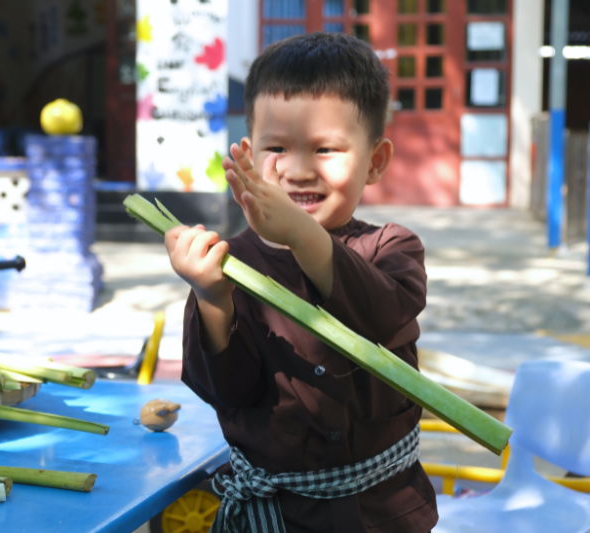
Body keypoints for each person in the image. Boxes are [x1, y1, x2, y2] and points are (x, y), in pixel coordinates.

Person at [165, 32, 435, 533]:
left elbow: (380, 318)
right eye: (277, 147)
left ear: (374, 161)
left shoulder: (392, 250)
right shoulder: (231, 264)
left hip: (381, 515)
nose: (298, 169)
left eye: (326, 149)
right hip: (277, 519)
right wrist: (211, 298)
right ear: (248, 155)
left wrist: (300, 233)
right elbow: (228, 390)